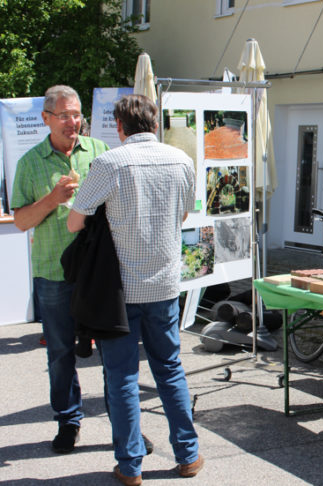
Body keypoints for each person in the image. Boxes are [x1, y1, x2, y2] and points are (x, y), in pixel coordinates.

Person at [67, 94, 202, 485]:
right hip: (164, 283)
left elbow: (76, 222)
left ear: (120, 127)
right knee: (171, 370)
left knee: (122, 377)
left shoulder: (109, 162)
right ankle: (188, 456)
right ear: (155, 124)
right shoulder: (182, 160)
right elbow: (184, 214)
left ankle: (130, 467)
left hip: (119, 291)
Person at [11, 85, 110, 453]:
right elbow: (21, 222)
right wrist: (53, 199)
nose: (73, 122)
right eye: (65, 115)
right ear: (46, 119)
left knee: (112, 350)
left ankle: (123, 424)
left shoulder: (99, 152)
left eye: (77, 113)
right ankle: (68, 421)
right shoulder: (30, 163)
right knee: (60, 352)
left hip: (98, 274)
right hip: (53, 272)